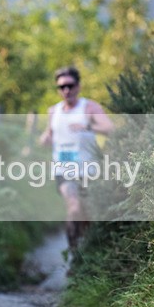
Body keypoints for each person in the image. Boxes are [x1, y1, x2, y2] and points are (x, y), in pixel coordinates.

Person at [40, 66, 113, 253]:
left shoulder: (89, 107)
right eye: (61, 87)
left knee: (87, 216)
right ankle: (73, 255)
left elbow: (110, 128)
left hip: (89, 171)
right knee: (73, 206)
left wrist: (88, 126)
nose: (66, 90)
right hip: (64, 171)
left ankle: (87, 256)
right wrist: (44, 139)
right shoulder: (53, 111)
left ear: (78, 86)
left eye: (70, 86)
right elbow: (48, 135)